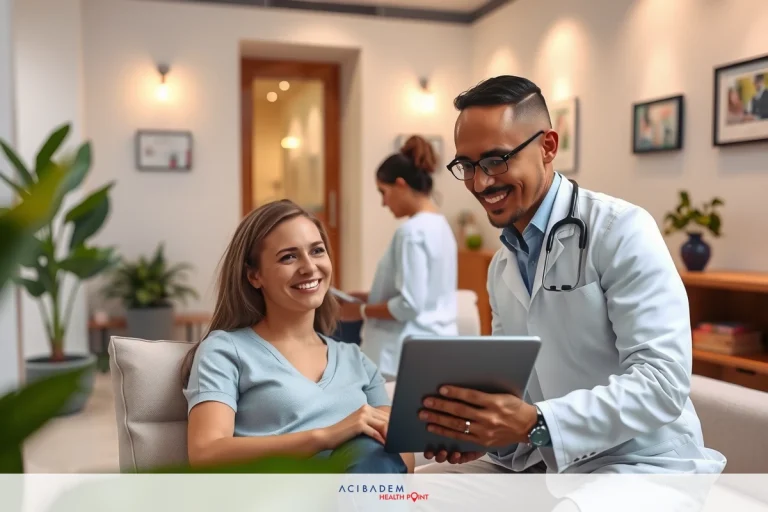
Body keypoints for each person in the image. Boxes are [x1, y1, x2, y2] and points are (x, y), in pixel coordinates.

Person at [417, 75, 727, 475]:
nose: (480, 182)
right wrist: (482, 432)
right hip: (547, 460)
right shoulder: (501, 265)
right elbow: (519, 389)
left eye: (496, 160)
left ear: (548, 147)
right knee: (417, 491)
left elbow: (662, 383)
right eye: (467, 165)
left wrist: (537, 424)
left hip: (641, 463)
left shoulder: (621, 230)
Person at [181, 199, 414, 474]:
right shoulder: (225, 350)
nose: (309, 267)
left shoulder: (356, 360)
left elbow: (403, 459)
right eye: (288, 257)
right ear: (254, 275)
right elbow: (206, 453)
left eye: (317, 251)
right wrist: (324, 436)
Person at [339, 135, 459, 380]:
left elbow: (409, 306)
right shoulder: (440, 226)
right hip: (434, 350)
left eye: (383, 192)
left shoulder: (411, 232)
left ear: (401, 185)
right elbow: (424, 297)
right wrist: (370, 297)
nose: (383, 203)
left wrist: (359, 311)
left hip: (400, 357)